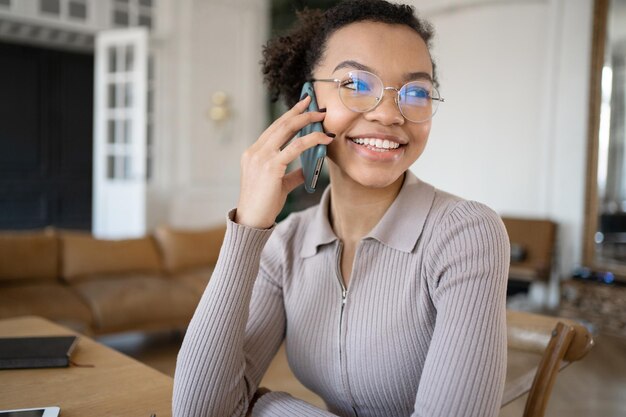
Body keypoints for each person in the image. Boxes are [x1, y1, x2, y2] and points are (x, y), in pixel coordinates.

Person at [172, 1, 509, 416]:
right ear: (308, 102)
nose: (389, 114)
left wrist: (267, 407)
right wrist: (249, 225)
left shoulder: (467, 234)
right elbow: (199, 410)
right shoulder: (287, 243)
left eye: (416, 92)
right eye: (356, 84)